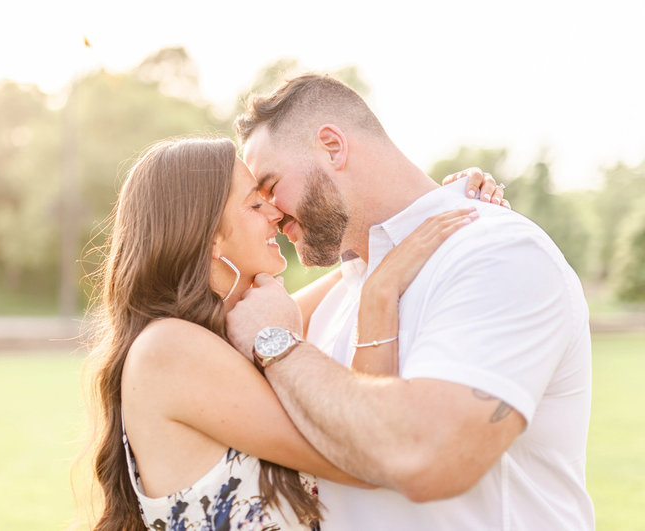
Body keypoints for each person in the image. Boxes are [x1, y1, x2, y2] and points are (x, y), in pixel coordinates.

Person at [225, 73, 594, 530]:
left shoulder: (498, 253)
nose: (273, 213)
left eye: (271, 184)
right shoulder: (347, 289)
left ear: (333, 147)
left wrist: (274, 342)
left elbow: (428, 456)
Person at [80, 136, 501, 530]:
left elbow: (356, 267)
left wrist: (439, 206)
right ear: (209, 237)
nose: (276, 214)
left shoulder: (227, 336)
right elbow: (367, 455)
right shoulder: (168, 349)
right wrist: (380, 294)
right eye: (254, 205)